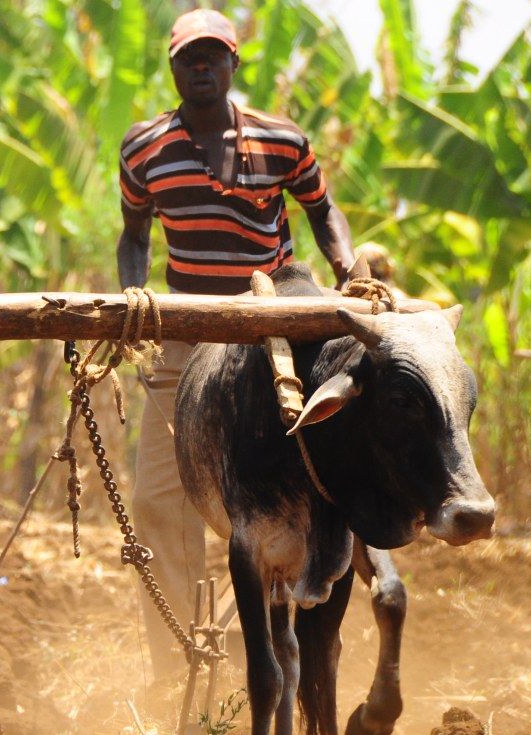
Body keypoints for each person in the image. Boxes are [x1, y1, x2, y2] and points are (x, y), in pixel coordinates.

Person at [116, 8, 356, 678]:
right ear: (173, 68)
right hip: (185, 337)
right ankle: (179, 662)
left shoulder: (281, 139)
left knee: (321, 477)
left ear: (233, 65)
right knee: (157, 502)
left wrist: (345, 268)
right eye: (188, 58)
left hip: (273, 332)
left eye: (212, 56)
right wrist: (133, 293)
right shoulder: (144, 149)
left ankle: (313, 631)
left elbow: (321, 208)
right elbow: (134, 234)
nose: (200, 67)